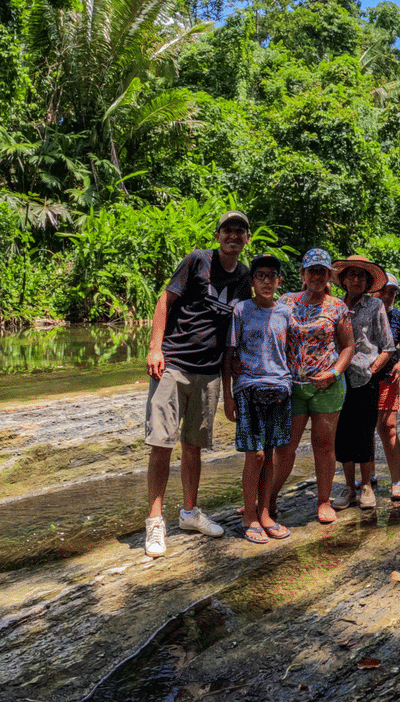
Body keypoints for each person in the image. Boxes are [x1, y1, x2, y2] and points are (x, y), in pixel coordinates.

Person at [143, 210, 251, 557]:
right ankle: (155, 522)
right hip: (173, 363)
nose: (233, 235)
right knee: (162, 442)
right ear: (218, 235)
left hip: (209, 372)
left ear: (246, 239)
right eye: (228, 230)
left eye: (240, 231)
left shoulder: (245, 276)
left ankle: (189, 513)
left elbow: (241, 324)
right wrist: (155, 348)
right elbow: (165, 300)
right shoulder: (197, 261)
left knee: (194, 445)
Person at [270, 248, 355, 523]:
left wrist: (334, 373)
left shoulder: (338, 307)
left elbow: (348, 347)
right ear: (302, 274)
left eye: (322, 271)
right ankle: (268, 499)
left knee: (323, 446)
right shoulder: (285, 302)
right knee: (285, 448)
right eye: (312, 271)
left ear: (329, 275)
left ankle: (323, 501)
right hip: (292, 386)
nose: (317, 276)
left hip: (327, 386)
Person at [223, 254, 292, 544]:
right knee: (256, 454)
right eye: (260, 276)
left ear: (280, 281)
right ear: (251, 281)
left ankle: (265, 513)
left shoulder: (286, 313)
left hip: (280, 388)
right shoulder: (241, 310)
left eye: (271, 276)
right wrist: (228, 397)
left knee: (271, 454)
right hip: (248, 388)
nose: (266, 281)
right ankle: (248, 514)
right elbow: (229, 355)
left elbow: (290, 353)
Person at [330, 255, 395, 511]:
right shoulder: (334, 306)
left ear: (368, 282)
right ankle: (349, 486)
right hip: (337, 379)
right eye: (351, 275)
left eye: (361, 276)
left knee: (365, 434)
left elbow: (388, 347)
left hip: (365, 380)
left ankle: (366, 485)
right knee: (342, 435)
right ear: (343, 279)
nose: (356, 279)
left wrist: (372, 369)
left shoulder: (375, 306)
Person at [369, 272, 400, 501]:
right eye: (384, 290)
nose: (388, 295)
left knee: (389, 428)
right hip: (362, 379)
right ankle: (370, 476)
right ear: (374, 291)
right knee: (366, 429)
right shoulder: (362, 312)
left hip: (387, 377)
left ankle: (396, 481)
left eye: (392, 291)